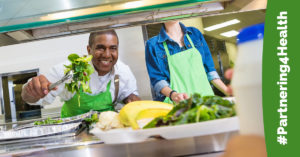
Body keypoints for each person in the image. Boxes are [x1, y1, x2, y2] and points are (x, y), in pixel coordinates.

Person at [21, 30, 140, 118]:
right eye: (101, 48)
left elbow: (129, 95)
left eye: (113, 48)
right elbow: (30, 98)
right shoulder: (69, 70)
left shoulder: (122, 71)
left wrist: (131, 99)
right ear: (89, 50)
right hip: (74, 135)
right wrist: (31, 90)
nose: (107, 55)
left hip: (107, 131)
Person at [145, 21, 229, 104]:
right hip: (179, 104)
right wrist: (174, 95)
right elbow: (158, 81)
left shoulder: (195, 33)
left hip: (206, 101)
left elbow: (210, 71)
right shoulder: (153, 44)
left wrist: (228, 92)